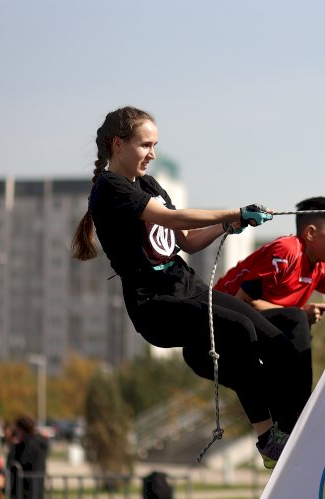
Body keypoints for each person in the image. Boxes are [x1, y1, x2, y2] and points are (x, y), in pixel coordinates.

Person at [71, 106, 297, 469]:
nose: (153, 154)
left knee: (272, 335)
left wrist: (228, 227)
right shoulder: (110, 189)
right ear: (118, 144)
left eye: (155, 145)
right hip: (156, 304)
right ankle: (269, 436)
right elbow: (171, 218)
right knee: (239, 330)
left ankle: (296, 418)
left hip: (187, 287)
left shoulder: (147, 184)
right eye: (145, 145)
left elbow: (187, 241)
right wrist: (230, 212)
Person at [215, 196, 325, 430]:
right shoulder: (287, 250)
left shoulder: (322, 267)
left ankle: (289, 423)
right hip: (219, 331)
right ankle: (303, 410)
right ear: (311, 233)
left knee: (295, 322)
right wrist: (302, 312)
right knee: (296, 319)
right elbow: (241, 303)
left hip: (257, 339)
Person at [7, 415, 49, 499]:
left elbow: (13, 462)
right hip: (38, 484)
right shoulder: (42, 441)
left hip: (23, 487)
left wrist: (13, 445)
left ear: (21, 429)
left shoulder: (23, 445)